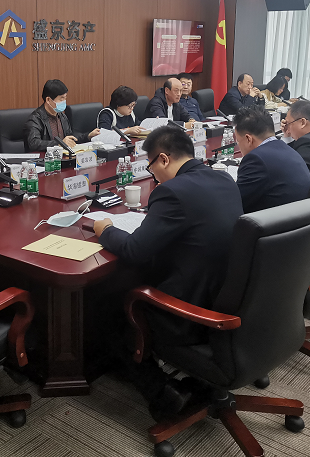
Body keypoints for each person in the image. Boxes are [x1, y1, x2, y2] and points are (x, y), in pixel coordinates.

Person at [92, 125, 242, 417]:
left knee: (107, 303)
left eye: (152, 168)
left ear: (163, 158)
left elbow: (135, 250)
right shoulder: (223, 178)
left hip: (188, 312)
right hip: (224, 297)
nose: (154, 176)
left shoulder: (172, 191)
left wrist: (106, 229)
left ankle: (162, 393)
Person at [233, 107, 310, 213]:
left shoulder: (256, 159)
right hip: (300, 218)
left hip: (277, 221)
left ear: (248, 139)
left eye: (238, 141)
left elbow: (235, 202)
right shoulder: (288, 149)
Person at [24, 80, 100, 151]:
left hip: (63, 157)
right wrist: (59, 143)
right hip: (45, 159)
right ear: (48, 100)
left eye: (65, 98)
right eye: (61, 99)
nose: (64, 102)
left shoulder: (62, 116)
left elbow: (70, 138)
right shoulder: (35, 119)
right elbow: (34, 143)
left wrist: (88, 136)